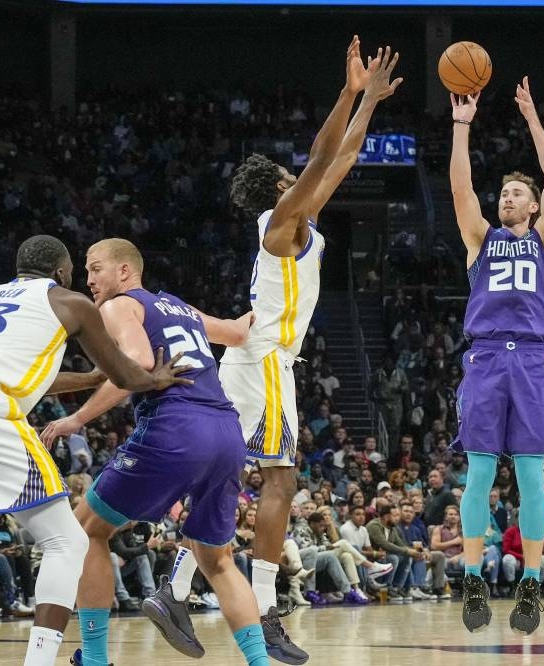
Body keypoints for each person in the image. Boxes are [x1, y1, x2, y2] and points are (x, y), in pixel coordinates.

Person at [139, 39, 402, 664]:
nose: (304, 177)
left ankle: (176, 589)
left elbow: (344, 155)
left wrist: (368, 102)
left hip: (256, 362)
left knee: (221, 475)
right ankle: (261, 608)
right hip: (265, 360)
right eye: (293, 177)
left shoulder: (302, 222)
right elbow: (323, 155)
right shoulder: (281, 222)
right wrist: (348, 92)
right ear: (282, 188)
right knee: (279, 479)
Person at [0, 235, 189, 665]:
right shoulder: (69, 302)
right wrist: (155, 379)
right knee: (66, 541)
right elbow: (127, 375)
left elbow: (31, 375)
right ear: (60, 271)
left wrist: (89, 380)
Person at [35, 239, 264, 666]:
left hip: (176, 427)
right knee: (217, 561)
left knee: (86, 530)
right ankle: (260, 662)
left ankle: (95, 659)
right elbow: (236, 334)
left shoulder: (119, 306)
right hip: (227, 433)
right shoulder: (177, 306)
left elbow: (137, 362)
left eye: (96, 268)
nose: (89, 279)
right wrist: (267, 306)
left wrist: (77, 418)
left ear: (124, 271)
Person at [450, 76, 544, 636]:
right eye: (504, 194)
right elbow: (461, 190)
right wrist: (461, 127)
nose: (507, 198)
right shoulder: (481, 240)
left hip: (534, 361)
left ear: (535, 206)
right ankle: (473, 577)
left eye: (518, 193)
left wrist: (533, 120)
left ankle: (531, 582)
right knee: (478, 472)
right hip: (487, 358)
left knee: (529, 477)